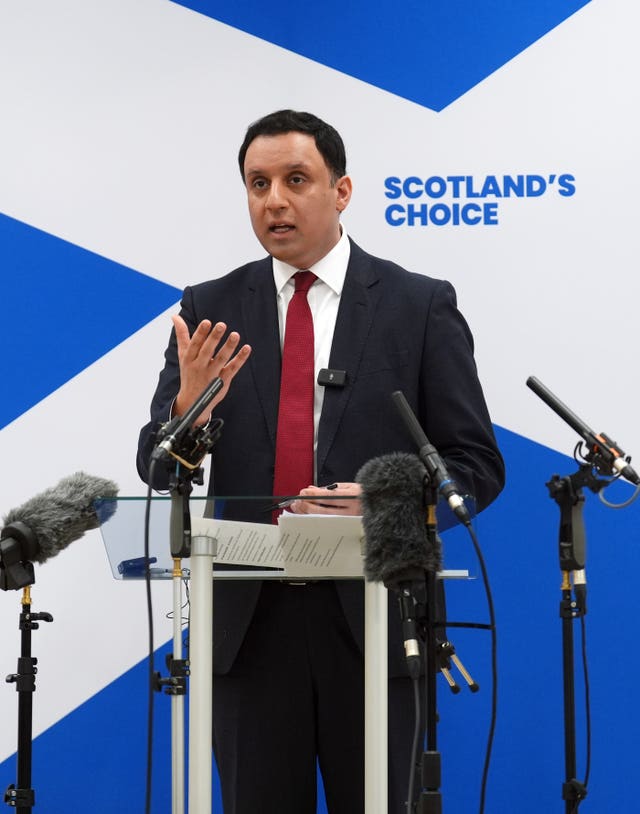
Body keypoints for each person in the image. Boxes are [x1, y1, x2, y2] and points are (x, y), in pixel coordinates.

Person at [137, 109, 505, 814]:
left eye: (295, 179)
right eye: (257, 183)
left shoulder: (417, 305)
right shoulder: (210, 308)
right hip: (248, 626)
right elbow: (158, 470)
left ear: (341, 191)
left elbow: (474, 464)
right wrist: (188, 414)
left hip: (376, 620)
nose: (273, 199)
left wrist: (388, 502)